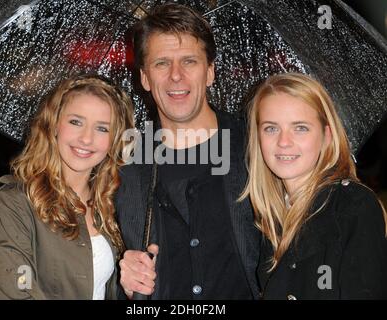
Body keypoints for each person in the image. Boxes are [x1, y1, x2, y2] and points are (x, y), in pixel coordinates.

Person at [117, 3, 260, 299]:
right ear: (144, 78)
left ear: (209, 72)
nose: (176, 76)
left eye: (189, 62)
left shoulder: (256, 145)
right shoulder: (123, 163)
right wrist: (124, 280)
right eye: (161, 63)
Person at [0, 74, 134, 299]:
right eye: (76, 122)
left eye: (102, 128)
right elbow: (17, 290)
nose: (86, 138)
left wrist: (132, 291)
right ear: (54, 125)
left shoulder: (115, 205)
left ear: (114, 140)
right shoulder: (15, 202)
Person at [239, 72, 387, 299]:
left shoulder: (353, 206)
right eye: (271, 128)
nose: (284, 142)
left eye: (300, 128)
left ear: (327, 136)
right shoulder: (271, 218)